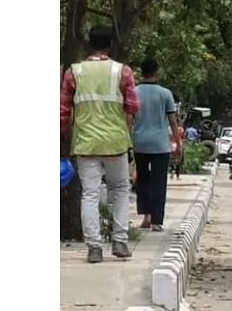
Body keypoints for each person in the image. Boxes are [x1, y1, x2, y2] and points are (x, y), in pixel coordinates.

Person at [60, 25, 142, 263]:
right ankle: (120, 241)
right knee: (120, 190)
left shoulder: (74, 72)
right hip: (116, 141)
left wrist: (62, 137)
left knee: (90, 194)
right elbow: (134, 106)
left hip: (86, 143)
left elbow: (64, 110)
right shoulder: (122, 72)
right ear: (110, 45)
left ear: (88, 44)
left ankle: (94, 248)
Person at [131, 58, 180, 231]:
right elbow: (173, 122)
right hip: (160, 145)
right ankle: (157, 221)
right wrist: (178, 144)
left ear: (141, 71)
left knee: (143, 180)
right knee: (159, 181)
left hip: (139, 142)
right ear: (156, 72)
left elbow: (129, 119)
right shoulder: (165, 94)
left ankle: (146, 216)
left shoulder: (134, 92)